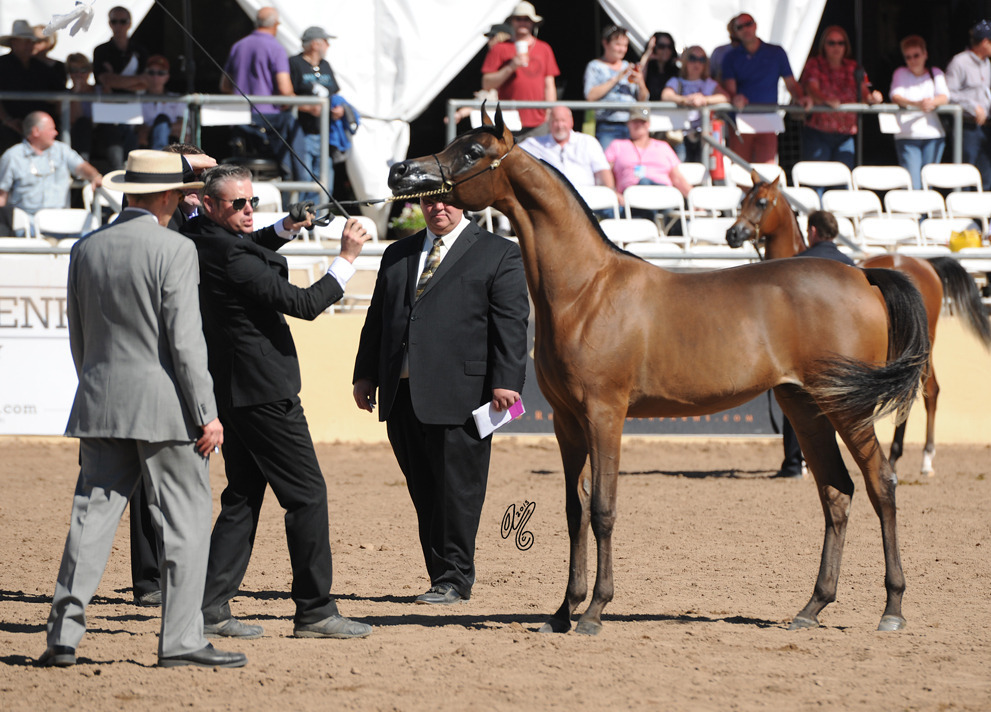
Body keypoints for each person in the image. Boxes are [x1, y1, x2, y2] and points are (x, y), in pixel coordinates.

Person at [41, 149, 245, 669]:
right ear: (169, 197)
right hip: (165, 408)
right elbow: (185, 342)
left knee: (90, 517)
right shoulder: (175, 248)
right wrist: (208, 411)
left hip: (101, 400)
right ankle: (180, 640)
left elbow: (79, 338)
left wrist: (97, 387)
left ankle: (62, 635)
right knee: (186, 522)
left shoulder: (87, 248)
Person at [181, 163, 372, 640]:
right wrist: (347, 257)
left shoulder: (201, 239)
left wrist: (287, 225)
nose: (249, 212)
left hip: (235, 393)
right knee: (307, 496)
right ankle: (315, 610)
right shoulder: (231, 257)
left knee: (242, 498)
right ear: (208, 204)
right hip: (266, 393)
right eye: (237, 205)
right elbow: (305, 304)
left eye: (253, 203)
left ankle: (208, 606)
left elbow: (245, 245)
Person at [353, 194, 529, 605]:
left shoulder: (498, 252)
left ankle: (454, 578)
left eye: (448, 202)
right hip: (402, 392)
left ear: (464, 204)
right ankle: (441, 576)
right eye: (431, 202)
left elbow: (511, 323)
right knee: (425, 490)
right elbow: (378, 317)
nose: (439, 209)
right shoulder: (398, 253)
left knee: (458, 491)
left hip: (463, 395)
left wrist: (506, 380)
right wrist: (365, 374)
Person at [775, 209, 855, 479]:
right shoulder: (850, 264)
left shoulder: (797, 263)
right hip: (843, 348)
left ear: (812, 231)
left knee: (795, 405)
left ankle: (794, 464)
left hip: (804, 347)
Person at [223, 6, 307, 190]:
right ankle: (301, 188)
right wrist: (301, 104)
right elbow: (285, 90)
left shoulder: (238, 46)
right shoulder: (276, 48)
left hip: (240, 122)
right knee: (292, 130)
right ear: (275, 25)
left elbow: (225, 85)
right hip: (268, 123)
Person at [721, 13, 812, 163]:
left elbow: (791, 84)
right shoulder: (730, 57)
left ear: (755, 25)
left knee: (767, 172)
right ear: (735, 32)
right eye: (740, 27)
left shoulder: (776, 52)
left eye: (748, 24)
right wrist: (735, 97)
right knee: (741, 172)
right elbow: (730, 89)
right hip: (741, 121)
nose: (745, 29)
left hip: (768, 121)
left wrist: (801, 98)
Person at [800, 26, 883, 169]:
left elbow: (864, 93)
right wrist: (826, 99)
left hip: (845, 135)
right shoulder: (815, 63)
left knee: (843, 183)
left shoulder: (854, 67)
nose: (836, 47)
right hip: (818, 133)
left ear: (846, 46)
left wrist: (873, 98)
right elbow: (811, 88)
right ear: (823, 45)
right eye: (831, 43)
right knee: (816, 181)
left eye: (841, 43)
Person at [0, 111, 102, 216]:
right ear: (36, 131)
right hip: (26, 221)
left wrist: (94, 176)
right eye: (51, 129)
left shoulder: (62, 150)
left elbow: (81, 167)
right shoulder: (12, 156)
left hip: (60, 219)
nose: (55, 133)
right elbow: (2, 195)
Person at [481, 1, 560, 136]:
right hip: (508, 120)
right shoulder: (500, 48)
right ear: (512, 21)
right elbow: (486, 83)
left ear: (533, 22)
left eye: (527, 19)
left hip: (539, 122)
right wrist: (511, 67)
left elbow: (549, 85)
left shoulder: (544, 48)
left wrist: (550, 112)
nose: (523, 22)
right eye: (519, 19)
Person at [289, 26, 346, 203]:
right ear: (315, 44)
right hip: (302, 133)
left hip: (324, 134)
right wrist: (308, 108)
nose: (328, 46)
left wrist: (339, 109)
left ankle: (317, 223)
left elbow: (334, 93)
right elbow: (285, 96)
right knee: (304, 181)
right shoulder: (294, 63)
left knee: (324, 183)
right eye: (326, 42)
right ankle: (300, 223)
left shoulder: (325, 65)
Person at [92, 6, 149, 169]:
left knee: (132, 142)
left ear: (129, 23)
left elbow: (146, 82)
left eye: (122, 21)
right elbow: (104, 79)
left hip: (134, 111)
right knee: (114, 145)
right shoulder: (101, 50)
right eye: (114, 21)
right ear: (109, 24)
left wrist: (115, 80)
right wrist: (134, 81)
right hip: (109, 111)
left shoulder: (140, 51)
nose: (119, 26)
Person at [890, 36, 949, 191]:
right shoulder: (900, 73)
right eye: (908, 57)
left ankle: (925, 215)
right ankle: (916, 215)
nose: (913, 60)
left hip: (933, 134)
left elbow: (944, 97)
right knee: (913, 184)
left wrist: (931, 103)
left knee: (928, 184)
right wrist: (917, 104)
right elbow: (896, 96)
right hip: (908, 135)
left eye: (916, 55)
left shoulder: (936, 73)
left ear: (925, 55)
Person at [605, 108, 693, 209]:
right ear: (628, 124)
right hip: (630, 196)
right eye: (635, 121)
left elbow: (677, 178)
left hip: (661, 194)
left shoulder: (663, 146)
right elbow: (605, 172)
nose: (639, 125)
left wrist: (694, 200)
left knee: (647, 184)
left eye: (643, 122)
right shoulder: (617, 145)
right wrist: (613, 193)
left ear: (648, 124)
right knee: (643, 183)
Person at [0, 20, 65, 153]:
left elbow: (60, 93)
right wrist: (8, 120)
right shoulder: (2, 65)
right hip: (8, 126)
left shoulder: (41, 68)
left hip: (40, 127)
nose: (31, 45)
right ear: (14, 42)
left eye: (32, 41)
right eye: (26, 41)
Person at [520, 105, 615, 192]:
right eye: (555, 121)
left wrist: (611, 193)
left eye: (563, 120)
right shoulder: (534, 144)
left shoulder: (588, 142)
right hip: (551, 200)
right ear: (549, 124)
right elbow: (511, 153)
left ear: (571, 121)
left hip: (587, 197)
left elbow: (603, 172)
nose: (560, 126)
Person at [584, 25, 647, 150]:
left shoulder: (630, 66)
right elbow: (590, 95)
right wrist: (617, 78)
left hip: (632, 125)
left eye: (625, 45)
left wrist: (640, 82)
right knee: (606, 166)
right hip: (607, 126)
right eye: (618, 44)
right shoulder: (594, 66)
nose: (622, 49)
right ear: (605, 43)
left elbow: (643, 99)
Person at [661, 46, 729, 162]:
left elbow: (725, 97)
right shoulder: (676, 81)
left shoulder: (709, 83)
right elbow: (666, 95)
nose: (697, 63)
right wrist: (685, 100)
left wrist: (704, 100)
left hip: (704, 135)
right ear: (685, 61)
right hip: (680, 137)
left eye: (701, 60)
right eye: (692, 58)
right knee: (682, 170)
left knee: (704, 170)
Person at [945, 20, 991, 190]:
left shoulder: (987, 63)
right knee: (966, 176)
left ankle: (984, 216)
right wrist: (973, 106)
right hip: (967, 127)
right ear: (985, 42)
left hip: (986, 128)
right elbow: (948, 94)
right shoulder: (959, 62)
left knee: (986, 177)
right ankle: (964, 215)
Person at [139, 55, 187, 150]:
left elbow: (184, 128)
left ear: (167, 77)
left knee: (162, 121)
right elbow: (137, 132)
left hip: (174, 146)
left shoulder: (178, 99)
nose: (155, 77)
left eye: (160, 73)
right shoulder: (137, 100)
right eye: (151, 72)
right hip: (144, 148)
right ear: (145, 75)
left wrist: (157, 129)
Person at [65, 53, 99, 161]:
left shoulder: (100, 91)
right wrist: (76, 94)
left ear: (90, 71)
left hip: (99, 134)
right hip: (78, 136)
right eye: (74, 70)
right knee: (83, 123)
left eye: (83, 70)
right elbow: (74, 119)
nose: (79, 74)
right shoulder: (65, 95)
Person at [641, 31, 679, 101]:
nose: (666, 50)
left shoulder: (676, 70)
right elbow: (639, 80)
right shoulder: (647, 67)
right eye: (661, 46)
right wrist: (647, 55)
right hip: (648, 109)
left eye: (669, 47)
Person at [709, 16, 741, 84]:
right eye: (734, 28)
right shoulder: (719, 51)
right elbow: (710, 76)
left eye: (739, 28)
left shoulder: (754, 53)